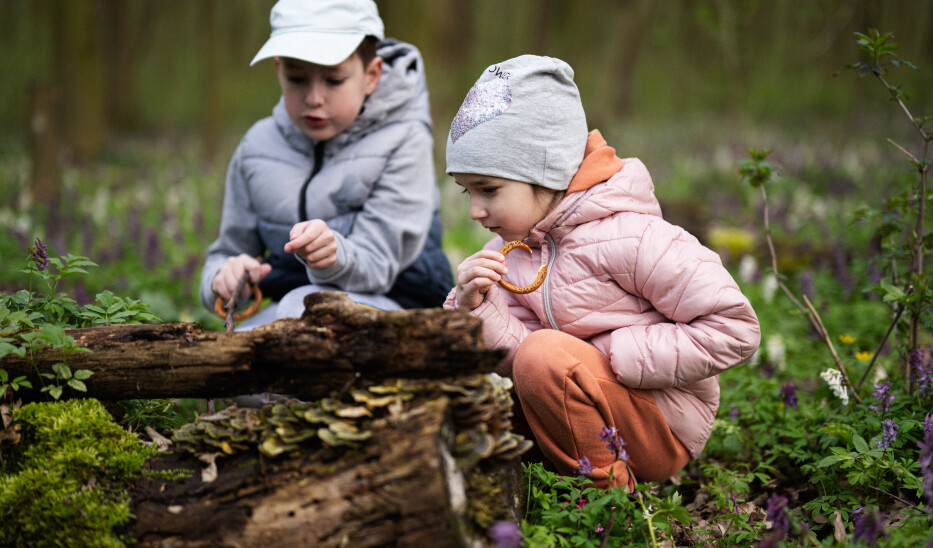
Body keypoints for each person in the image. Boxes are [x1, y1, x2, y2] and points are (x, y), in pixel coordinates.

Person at [444, 55, 761, 488]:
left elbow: (735, 328)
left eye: (489, 190)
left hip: (656, 423)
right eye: (466, 191)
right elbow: (526, 365)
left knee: (544, 355)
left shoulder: (633, 237)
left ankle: (610, 505)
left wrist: (612, 356)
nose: (475, 210)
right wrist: (475, 309)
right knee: (473, 382)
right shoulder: (506, 254)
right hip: (566, 414)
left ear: (547, 173)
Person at [200, 0, 452, 329]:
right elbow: (227, 251)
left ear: (372, 75)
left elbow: (379, 262)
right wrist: (224, 276)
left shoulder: (404, 141)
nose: (314, 98)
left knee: (301, 312)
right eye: (297, 78)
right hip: (292, 307)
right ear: (278, 70)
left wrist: (334, 255)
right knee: (248, 336)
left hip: (399, 304)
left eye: (334, 81)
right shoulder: (256, 148)